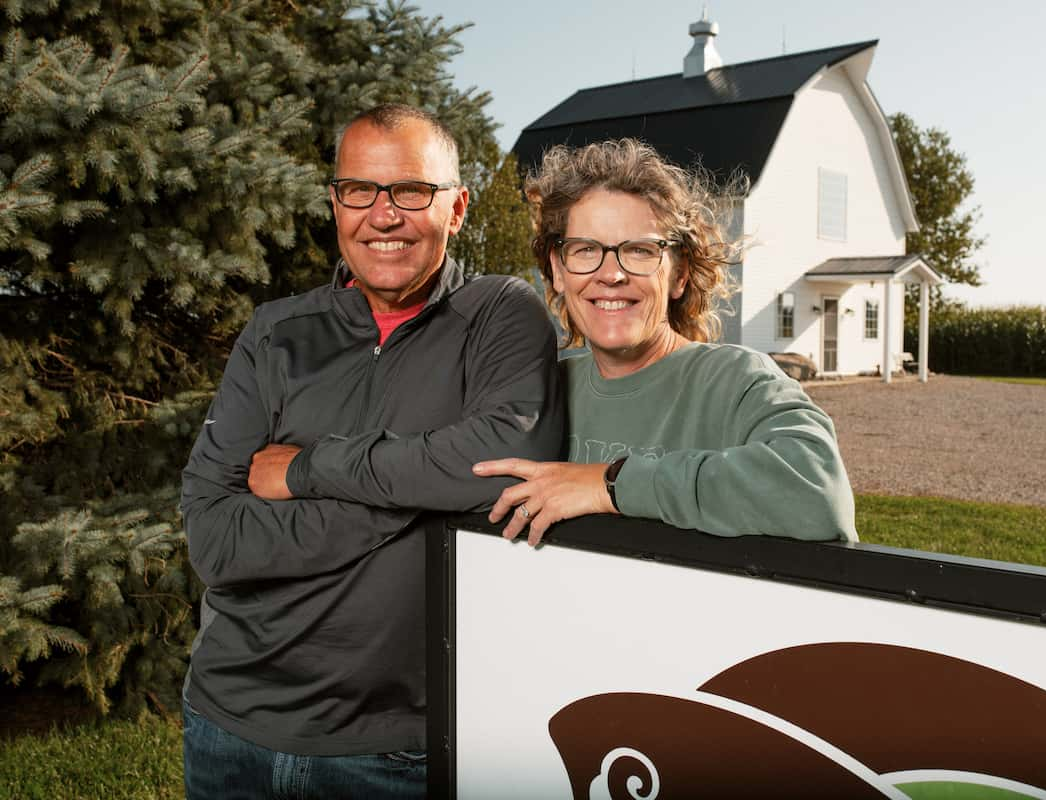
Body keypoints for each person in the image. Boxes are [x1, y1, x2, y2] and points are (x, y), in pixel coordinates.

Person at [179, 103, 563, 799]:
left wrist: (307, 469)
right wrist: (425, 492)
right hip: (228, 727)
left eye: (412, 191)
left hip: (395, 750)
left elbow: (507, 456)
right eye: (361, 190)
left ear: (457, 207)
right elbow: (214, 539)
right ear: (335, 202)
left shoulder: (499, 315)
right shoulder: (275, 334)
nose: (384, 216)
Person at [472, 139, 856, 547]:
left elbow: (818, 493)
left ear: (680, 274)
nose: (611, 275)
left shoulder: (735, 381)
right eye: (586, 250)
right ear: (558, 269)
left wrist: (610, 485)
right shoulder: (539, 388)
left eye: (639, 251)